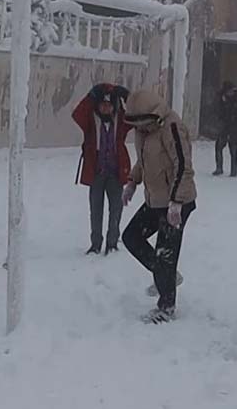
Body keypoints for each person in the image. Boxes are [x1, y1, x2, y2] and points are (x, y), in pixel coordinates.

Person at [120, 89, 197, 323]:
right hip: (154, 200)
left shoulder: (172, 127)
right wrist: (133, 181)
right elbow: (145, 160)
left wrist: (176, 203)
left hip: (177, 202)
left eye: (141, 122)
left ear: (152, 116)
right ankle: (165, 276)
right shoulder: (143, 131)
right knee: (131, 237)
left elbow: (183, 166)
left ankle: (166, 307)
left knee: (166, 253)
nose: (138, 127)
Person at [72, 83, 131, 255]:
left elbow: (136, 115)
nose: (106, 108)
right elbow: (77, 114)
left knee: (116, 210)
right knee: (95, 211)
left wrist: (127, 96)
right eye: (102, 104)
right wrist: (91, 95)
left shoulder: (120, 120)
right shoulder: (91, 120)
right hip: (96, 172)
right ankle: (95, 244)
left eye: (109, 104)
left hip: (115, 172)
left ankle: (112, 243)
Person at [212, 81, 237, 177]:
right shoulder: (221, 99)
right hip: (225, 126)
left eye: (231, 91)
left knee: (233, 148)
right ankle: (219, 168)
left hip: (235, 127)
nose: (230, 93)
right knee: (219, 146)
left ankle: (233, 171)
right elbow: (217, 111)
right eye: (229, 91)